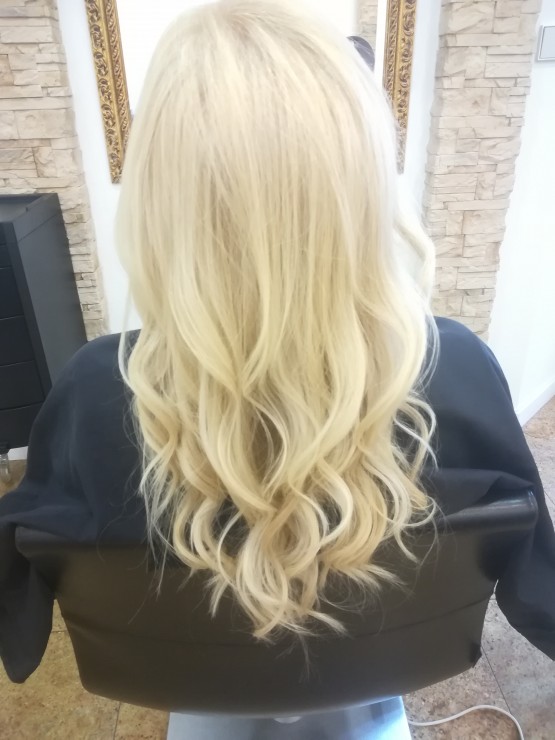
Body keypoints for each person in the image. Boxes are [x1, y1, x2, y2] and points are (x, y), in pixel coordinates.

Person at [1, 0, 554, 683]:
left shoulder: (93, 389)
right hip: (383, 662)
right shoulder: (456, 368)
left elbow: (29, 567)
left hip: (194, 672)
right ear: (361, 185)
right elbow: (536, 579)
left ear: (157, 196)